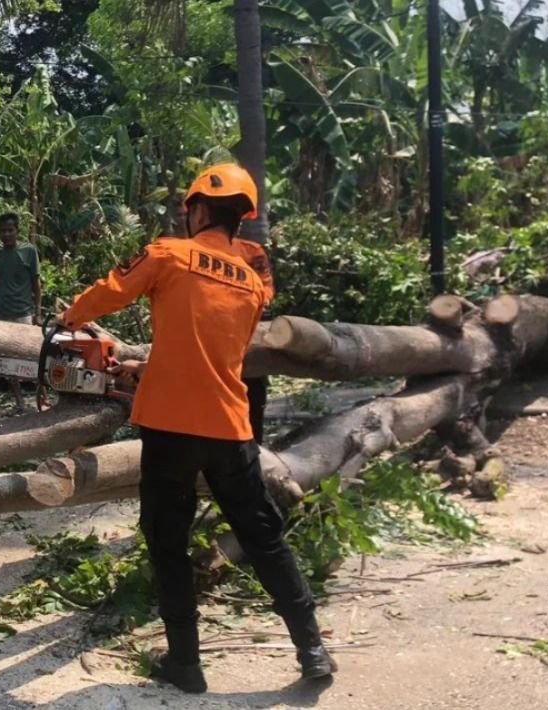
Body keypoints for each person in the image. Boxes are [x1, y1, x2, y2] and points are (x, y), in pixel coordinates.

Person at [56, 164, 335, 694]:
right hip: (231, 429)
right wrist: (145, 367)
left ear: (198, 209)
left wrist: (69, 318)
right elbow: (211, 351)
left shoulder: (168, 253)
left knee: (167, 541)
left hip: (170, 428)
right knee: (265, 539)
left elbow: (110, 291)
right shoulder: (253, 283)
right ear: (240, 218)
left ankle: (185, 662)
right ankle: (312, 650)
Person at [176, 203, 275, 443]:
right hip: (196, 354)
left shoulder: (251, 252)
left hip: (242, 354)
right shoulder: (181, 253)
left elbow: (266, 294)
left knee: (248, 427)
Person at [0, 212, 41, 408]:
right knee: (7, 360)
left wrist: (38, 311)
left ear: (17, 231)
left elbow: (36, 284)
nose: (6, 234)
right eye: (3, 231)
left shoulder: (29, 251)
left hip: (23, 312)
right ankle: (19, 400)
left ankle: (40, 395)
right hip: (1, 312)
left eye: (10, 230)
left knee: (31, 356)